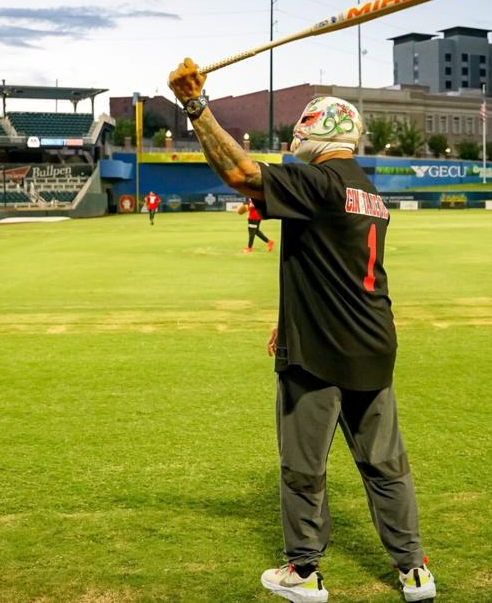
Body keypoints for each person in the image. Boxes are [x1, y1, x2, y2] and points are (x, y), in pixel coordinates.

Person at [169, 59, 434, 603]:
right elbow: (337, 266)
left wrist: (195, 105)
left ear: (318, 132)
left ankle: (305, 572)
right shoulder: (367, 191)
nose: (295, 137)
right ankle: (413, 571)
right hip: (373, 343)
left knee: (303, 469)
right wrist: (287, 316)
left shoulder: (319, 182)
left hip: (318, 354)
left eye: (301, 127)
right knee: (386, 465)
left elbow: (241, 173)